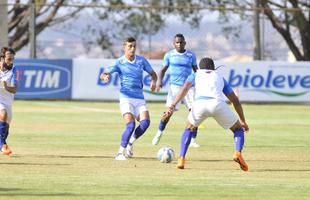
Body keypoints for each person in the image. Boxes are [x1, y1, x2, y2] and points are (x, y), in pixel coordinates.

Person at [167, 57, 249, 171]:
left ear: (199, 68)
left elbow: (184, 88)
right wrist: (243, 121)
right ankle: (237, 153)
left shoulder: (195, 74)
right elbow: (235, 100)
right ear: (213, 68)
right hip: (218, 104)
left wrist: (173, 104)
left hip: (200, 105)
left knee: (189, 129)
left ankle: (181, 158)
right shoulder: (220, 77)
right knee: (238, 130)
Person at [100, 37, 157, 160]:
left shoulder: (141, 61)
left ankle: (130, 142)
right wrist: (105, 77)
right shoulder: (119, 62)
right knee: (130, 125)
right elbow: (104, 73)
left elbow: (153, 74)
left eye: (134, 46)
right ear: (124, 47)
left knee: (145, 123)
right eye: (130, 46)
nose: (132, 49)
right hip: (126, 98)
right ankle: (120, 153)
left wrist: (153, 81)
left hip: (139, 98)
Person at [152, 33, 200, 147]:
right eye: (177, 42)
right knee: (168, 113)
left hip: (189, 87)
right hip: (175, 88)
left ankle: (192, 140)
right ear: (174, 44)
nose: (179, 44)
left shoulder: (191, 55)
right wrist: (159, 82)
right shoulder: (169, 55)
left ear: (185, 43)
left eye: (181, 42)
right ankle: (159, 133)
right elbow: (163, 70)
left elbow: (196, 71)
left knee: (195, 113)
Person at [0, 47, 18, 155]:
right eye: (9, 59)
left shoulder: (14, 70)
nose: (11, 62)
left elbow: (14, 89)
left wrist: (6, 87)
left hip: (8, 102)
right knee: (3, 113)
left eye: (12, 59)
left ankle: (2, 143)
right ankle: (3, 145)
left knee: (5, 129)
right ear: (2, 58)